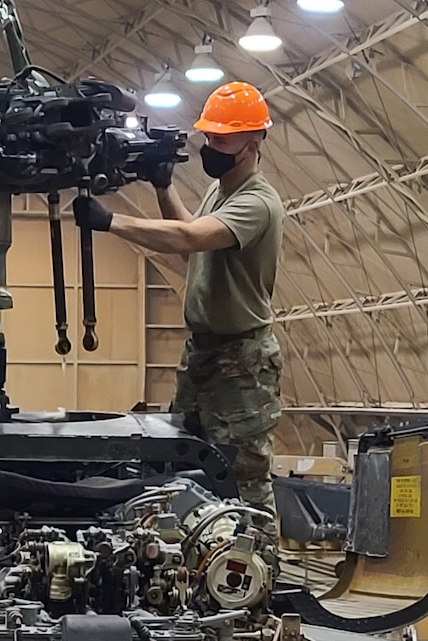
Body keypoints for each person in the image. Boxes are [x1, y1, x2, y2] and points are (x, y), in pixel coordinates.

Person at [72, 81, 285, 528]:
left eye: (222, 139)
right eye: (209, 137)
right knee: (186, 466)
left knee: (244, 479)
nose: (212, 146)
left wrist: (112, 221)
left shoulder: (258, 201)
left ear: (254, 140)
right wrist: (163, 188)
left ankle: (261, 575)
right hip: (204, 355)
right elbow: (192, 242)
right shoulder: (222, 191)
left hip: (241, 362)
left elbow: (191, 238)